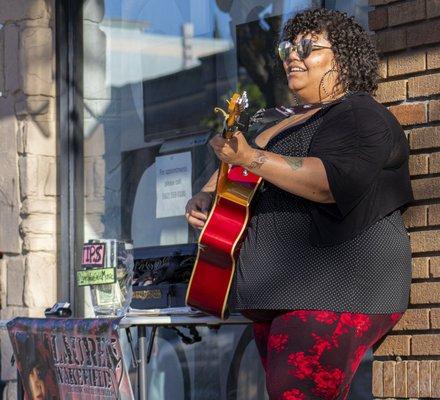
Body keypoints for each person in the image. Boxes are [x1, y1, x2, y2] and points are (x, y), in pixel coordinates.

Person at [185, 8, 413, 400]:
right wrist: (206, 197)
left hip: (334, 290)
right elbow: (231, 173)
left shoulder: (359, 114)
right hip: (281, 295)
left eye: (307, 46)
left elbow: (329, 182)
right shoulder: (278, 120)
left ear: (342, 57)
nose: (293, 54)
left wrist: (251, 159)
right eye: (288, 47)